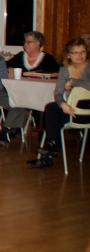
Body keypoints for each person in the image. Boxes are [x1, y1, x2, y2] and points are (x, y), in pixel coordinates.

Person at [27, 39, 90, 168]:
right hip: (71, 112)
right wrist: (63, 104)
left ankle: (50, 150)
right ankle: (51, 145)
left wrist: (73, 82)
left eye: (83, 52)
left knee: (54, 116)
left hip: (87, 112)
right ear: (69, 55)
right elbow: (58, 94)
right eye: (76, 52)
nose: (80, 55)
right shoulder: (64, 71)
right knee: (52, 108)